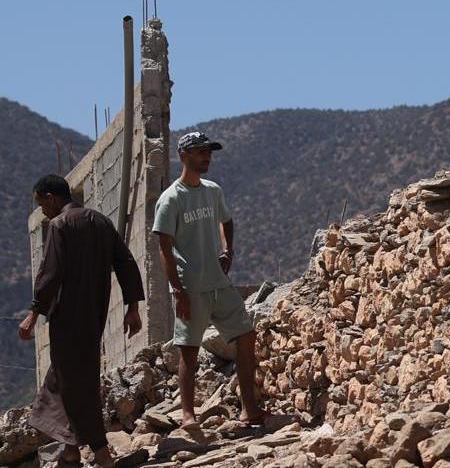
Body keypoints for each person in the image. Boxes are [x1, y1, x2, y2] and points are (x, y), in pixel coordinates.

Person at [18, 174, 147, 467]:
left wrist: (34, 312)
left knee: (76, 384)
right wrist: (132, 306)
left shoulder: (60, 226)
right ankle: (70, 452)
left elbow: (51, 273)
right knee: (60, 380)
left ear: (51, 198)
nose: (43, 211)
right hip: (95, 316)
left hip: (67, 317)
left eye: (42, 204)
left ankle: (101, 451)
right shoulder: (100, 221)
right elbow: (125, 262)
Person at [151, 131, 266, 429]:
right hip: (191, 286)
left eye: (209, 152)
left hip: (218, 283)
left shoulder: (212, 191)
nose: (207, 157)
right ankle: (188, 416)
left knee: (246, 335)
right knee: (189, 351)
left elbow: (227, 220)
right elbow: (163, 248)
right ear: (184, 156)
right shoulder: (170, 199)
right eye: (201, 152)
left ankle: (248, 409)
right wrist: (177, 290)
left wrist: (228, 251)